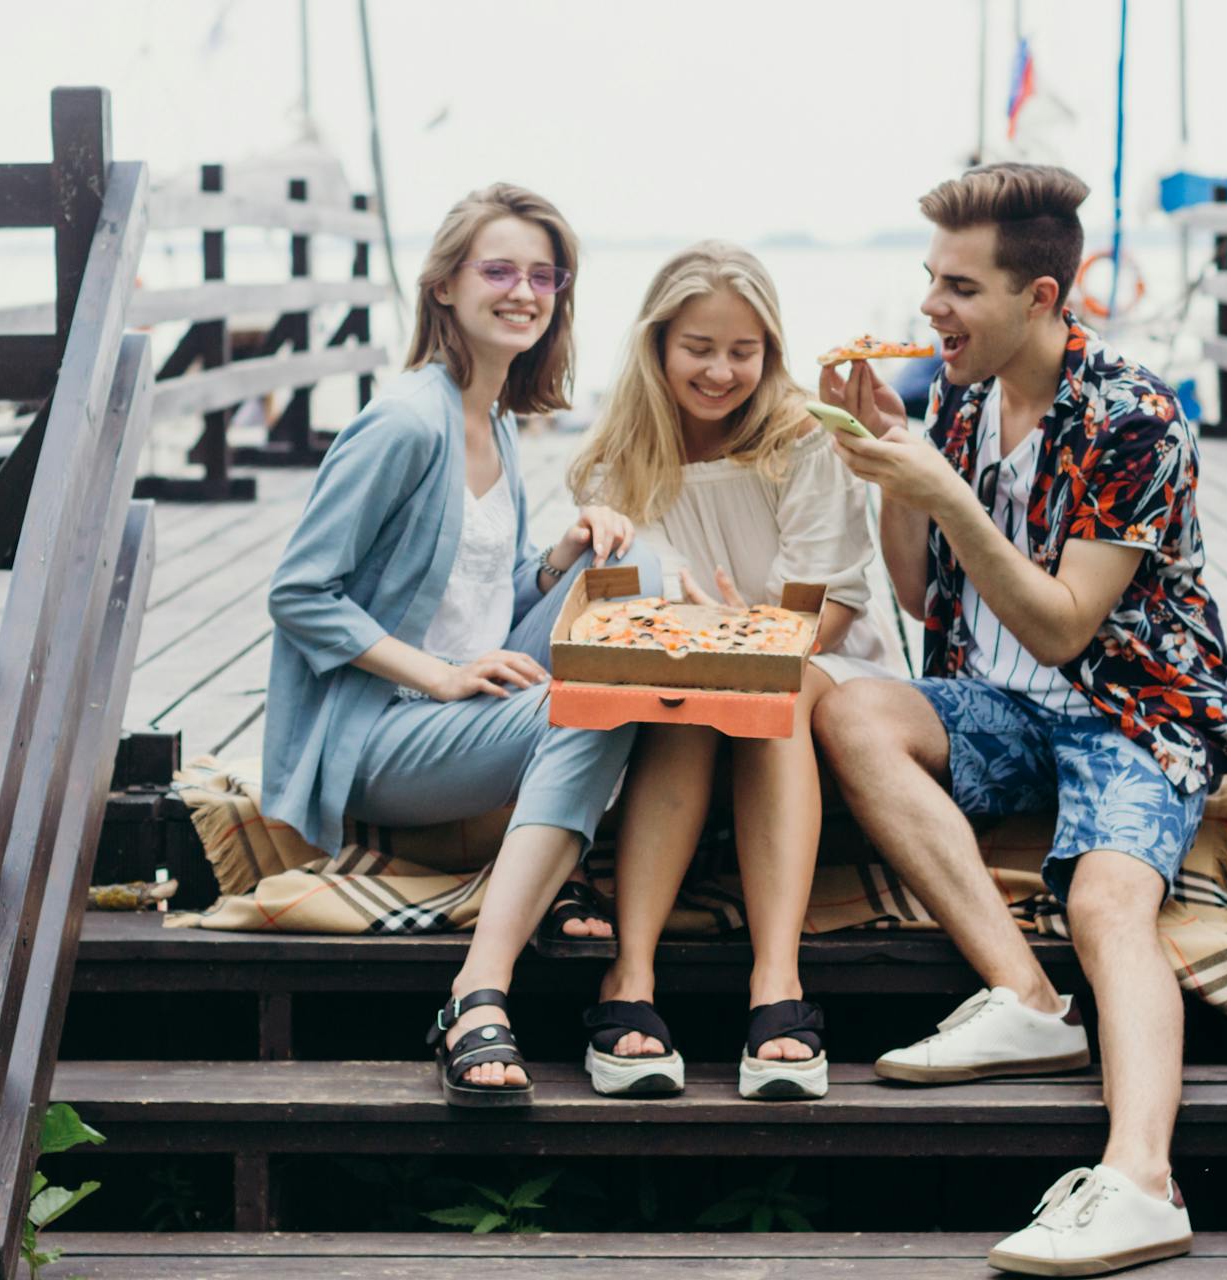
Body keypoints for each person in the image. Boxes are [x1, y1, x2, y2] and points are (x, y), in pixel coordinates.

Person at [814, 163, 1227, 1275]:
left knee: (1111, 899)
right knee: (853, 709)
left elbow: (1064, 625)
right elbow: (921, 597)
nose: (930, 308)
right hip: (1002, 704)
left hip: (1132, 709)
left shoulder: (1136, 419)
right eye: (930, 279)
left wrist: (946, 490)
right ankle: (1025, 993)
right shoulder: (959, 400)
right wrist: (890, 468)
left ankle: (1143, 1180)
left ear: (1042, 299)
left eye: (958, 287)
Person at [263, 183, 658, 1108]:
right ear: (443, 284)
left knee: (621, 619)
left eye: (542, 276)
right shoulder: (405, 422)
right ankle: (475, 990)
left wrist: (562, 554)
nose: (523, 291)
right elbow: (297, 593)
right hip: (376, 734)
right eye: (499, 270)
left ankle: (559, 860)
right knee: (590, 707)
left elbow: (480, 595)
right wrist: (439, 677)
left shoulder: (493, 420)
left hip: (452, 713)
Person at [565, 241, 891, 1101]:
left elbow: (835, 610)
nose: (720, 371)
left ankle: (775, 980)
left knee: (765, 697)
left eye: (742, 351)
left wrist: (746, 638)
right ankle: (630, 977)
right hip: (685, 671)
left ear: (770, 352)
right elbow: (622, 603)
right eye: (698, 348)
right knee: (691, 702)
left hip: (817, 660)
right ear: (658, 345)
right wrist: (705, 642)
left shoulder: (803, 440)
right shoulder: (618, 458)